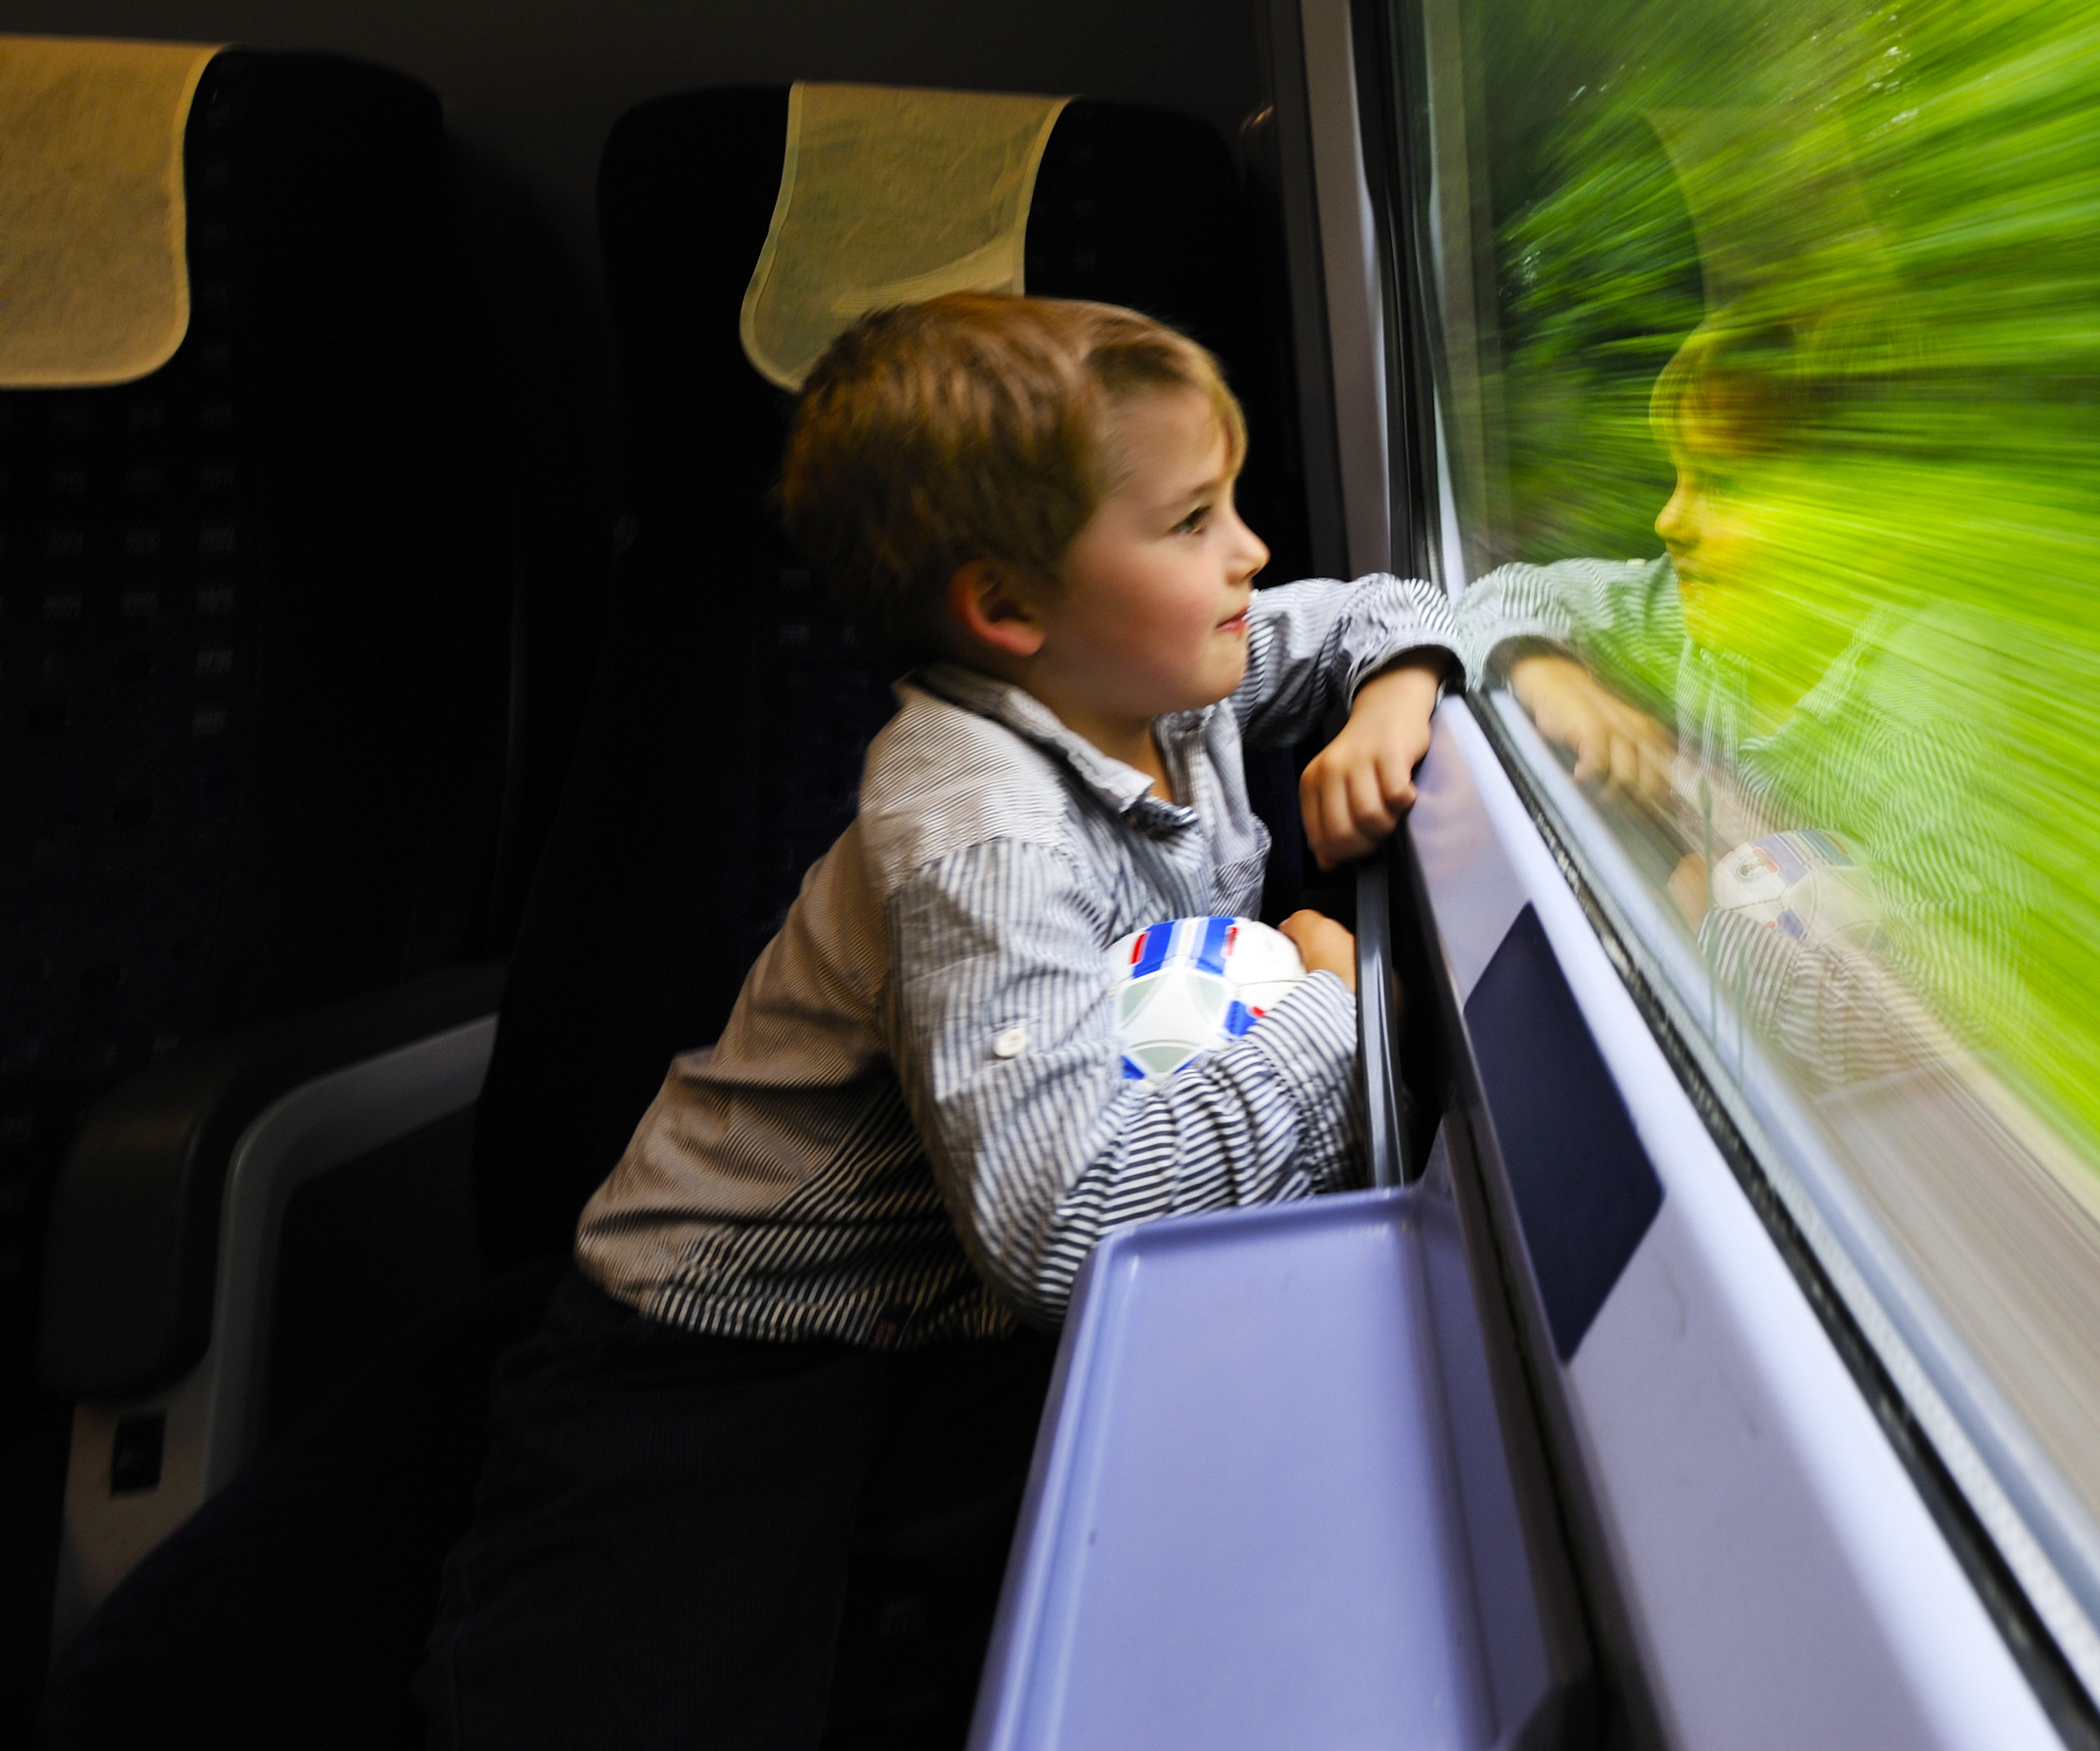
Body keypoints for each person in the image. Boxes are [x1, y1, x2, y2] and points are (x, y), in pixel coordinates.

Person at [420, 293, 1464, 1750]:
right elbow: (1061, 1226)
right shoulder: (978, 831)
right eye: (1191, 521)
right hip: (723, 1334)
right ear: (1011, 609)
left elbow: (1388, 603)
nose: (1252, 553)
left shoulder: (1163, 678)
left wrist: (1393, 699)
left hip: (937, 1316)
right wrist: (1333, 1013)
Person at [1460, 315, 2020, 1086]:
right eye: (1677, 476)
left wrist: (1708, 920)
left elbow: (1955, 1002)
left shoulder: (1929, 691)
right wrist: (1546, 670)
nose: (1669, 518)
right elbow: (1501, 593)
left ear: (1865, 527)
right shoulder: (1704, 626)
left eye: (1720, 485)